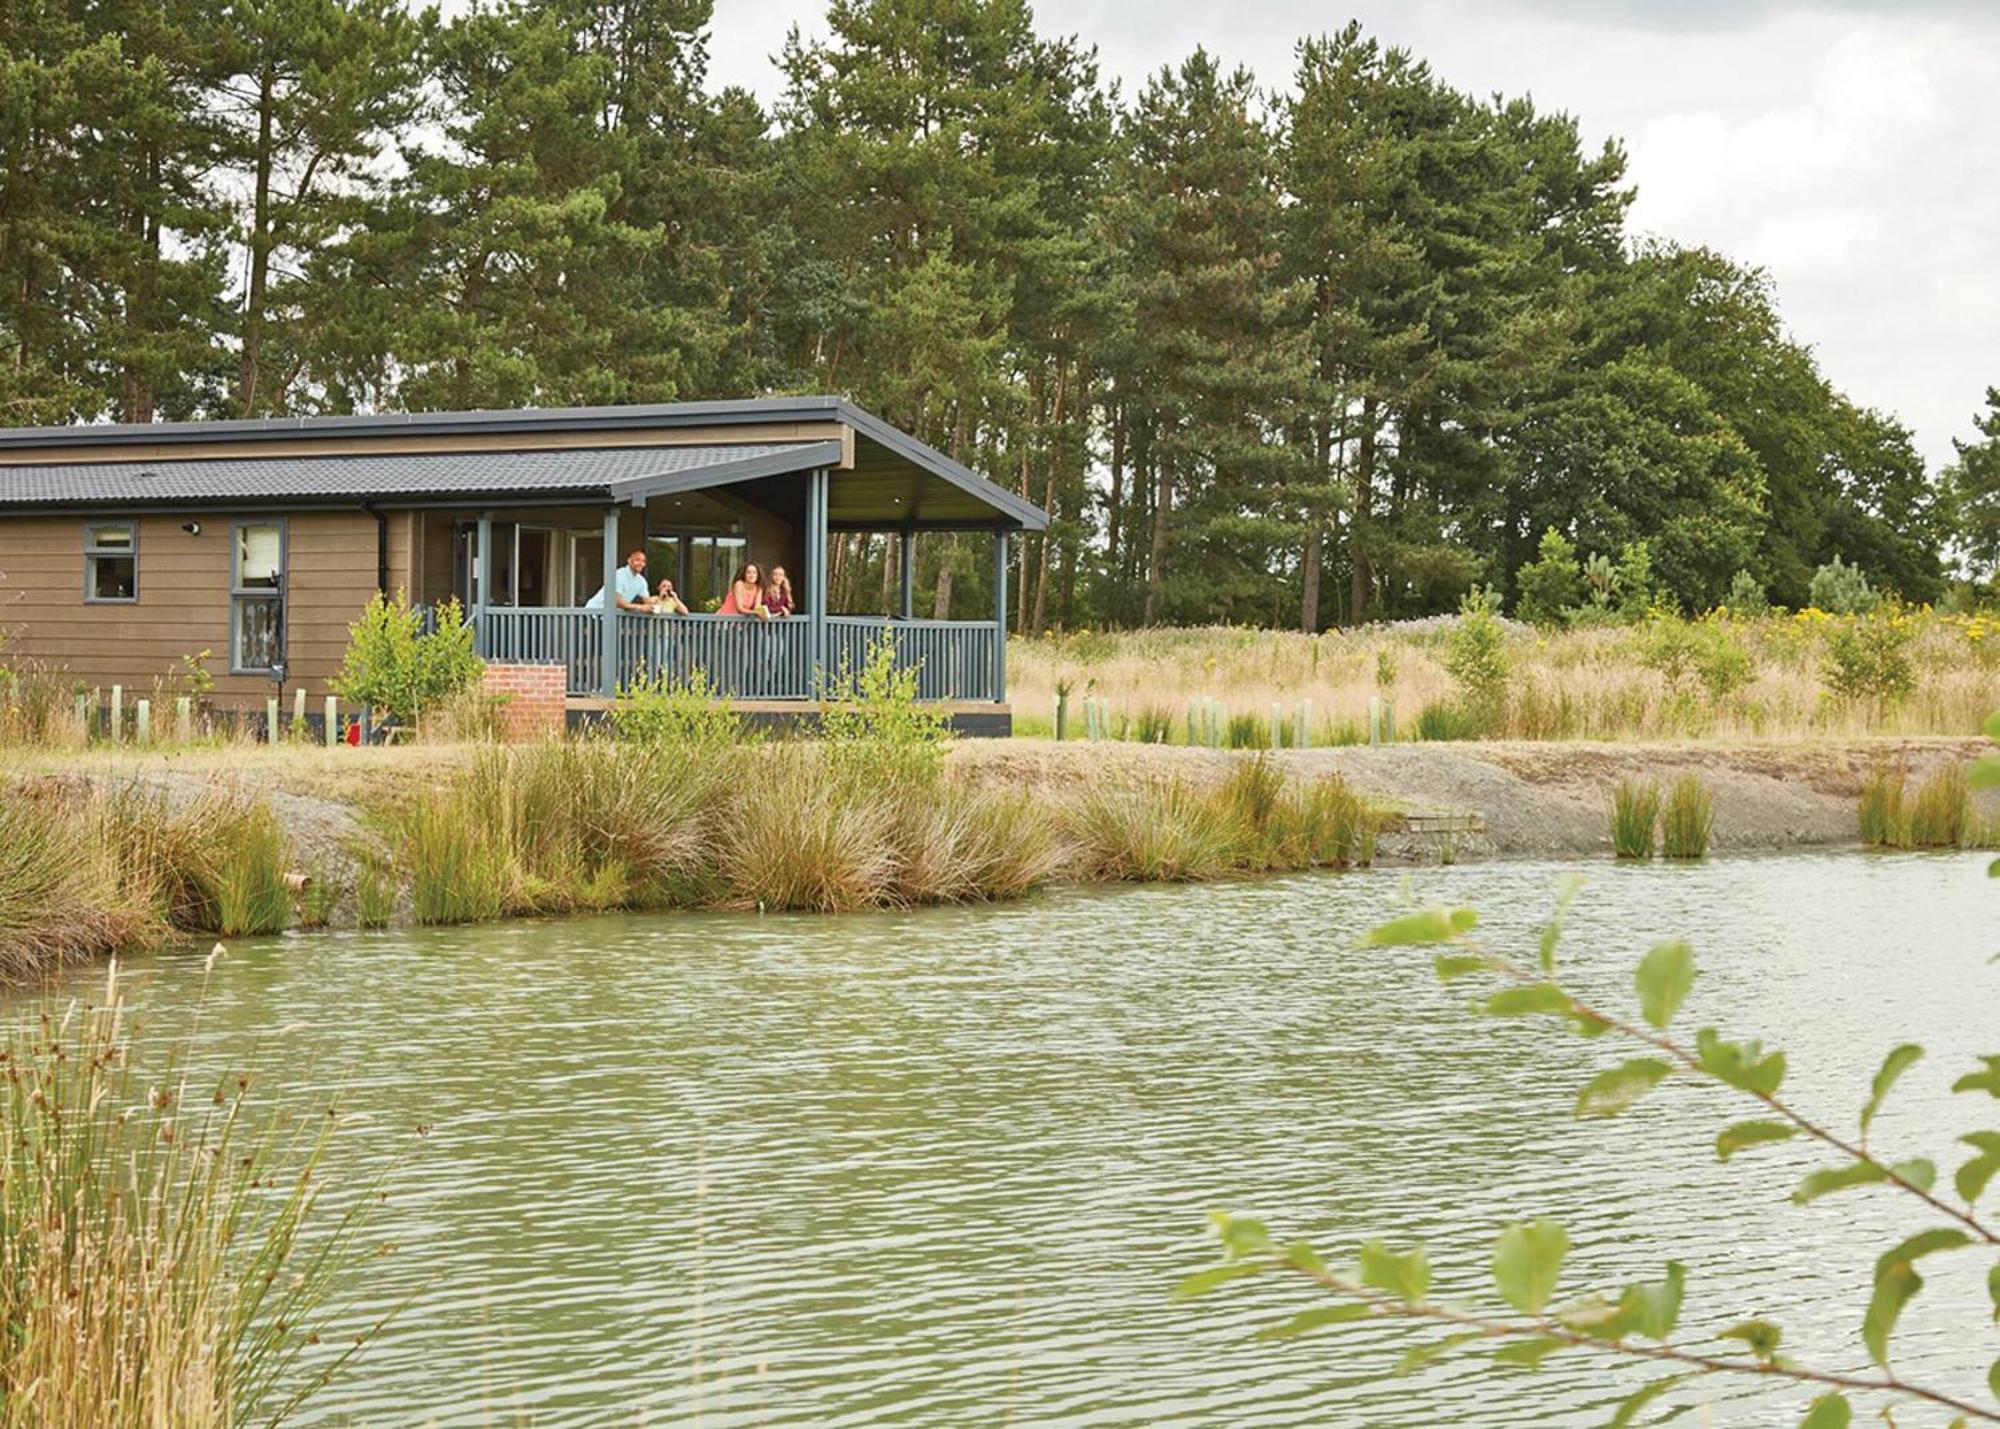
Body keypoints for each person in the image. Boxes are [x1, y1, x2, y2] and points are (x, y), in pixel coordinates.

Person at [585, 549, 655, 612]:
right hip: (594, 612)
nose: (640, 563)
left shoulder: (641, 581)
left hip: (610, 615)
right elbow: (617, 601)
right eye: (637, 560)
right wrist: (640, 607)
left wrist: (657, 603)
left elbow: (648, 602)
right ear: (629, 560)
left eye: (643, 561)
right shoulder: (619, 575)